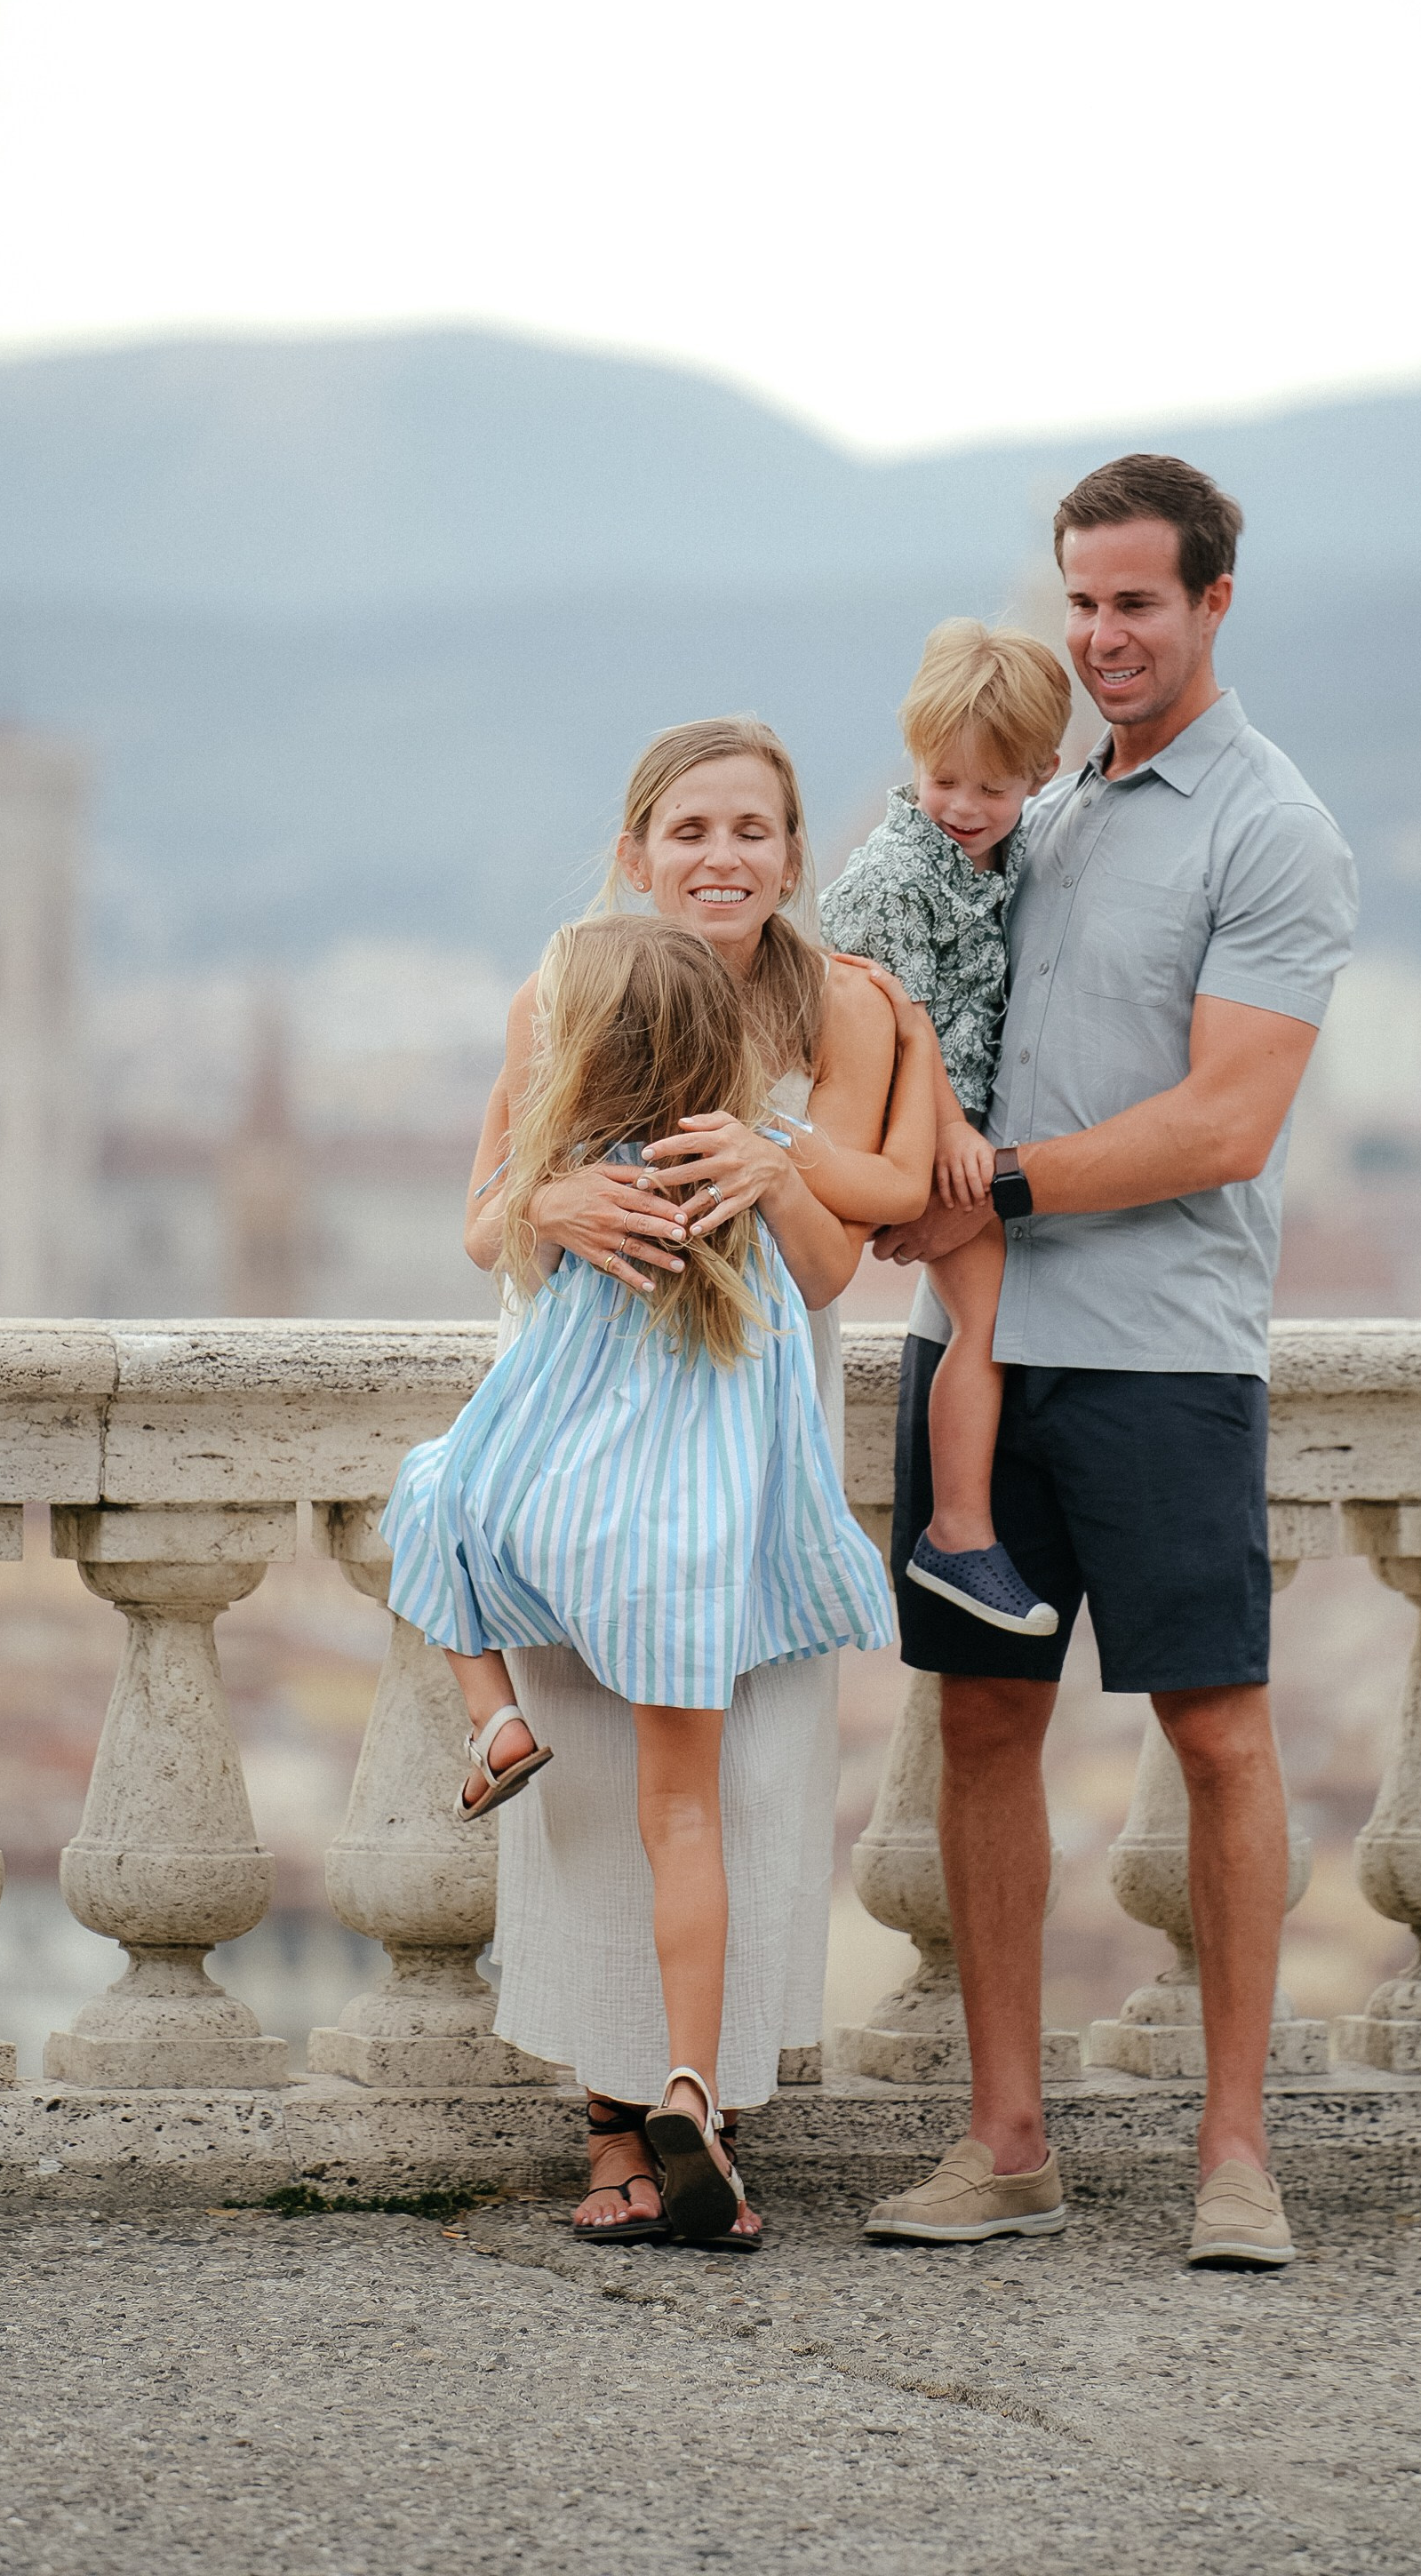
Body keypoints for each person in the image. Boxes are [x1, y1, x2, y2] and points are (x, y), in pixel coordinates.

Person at [861, 454, 1357, 2272]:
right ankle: (1008, 2140)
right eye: (1080, 600)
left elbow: (1227, 1121)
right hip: (982, 1348)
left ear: (1214, 598)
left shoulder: (1272, 828)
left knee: (1216, 1734)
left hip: (1160, 1355)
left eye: (1135, 602)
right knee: (980, 1723)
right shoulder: (1034, 802)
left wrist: (993, 1181)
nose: (1101, 635)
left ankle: (1236, 2155)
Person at [453, 718, 935, 2244]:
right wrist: (551, 1202)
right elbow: (483, 1220)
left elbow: (834, 1266)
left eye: (751, 829)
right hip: (580, 1425)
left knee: (748, 1783)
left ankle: (703, 2109)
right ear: (636, 851)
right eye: (691, 829)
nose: (721, 856)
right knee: (601, 1782)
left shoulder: (836, 1005)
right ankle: (614, 2119)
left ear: (793, 857)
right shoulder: (563, 987)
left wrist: (775, 1168)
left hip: (748, 1441)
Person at [820, 618, 1072, 1634]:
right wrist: (953, 1141)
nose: (963, 807)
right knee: (991, 1321)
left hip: (934, 1127)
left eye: (991, 789)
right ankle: (957, 1532)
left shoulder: (993, 857)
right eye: (943, 781)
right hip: (905, 1129)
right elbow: (899, 1022)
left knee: (995, 1318)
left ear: (1040, 776)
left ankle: (962, 1528)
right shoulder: (895, 877)